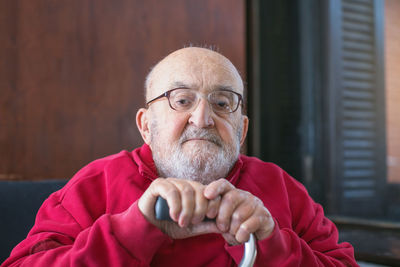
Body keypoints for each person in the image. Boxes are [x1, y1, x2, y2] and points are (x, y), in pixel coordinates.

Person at [1, 47, 358, 266]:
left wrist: (271, 243)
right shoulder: (96, 184)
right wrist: (133, 230)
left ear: (242, 130)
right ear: (146, 126)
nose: (203, 118)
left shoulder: (282, 188)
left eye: (222, 103)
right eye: (182, 100)